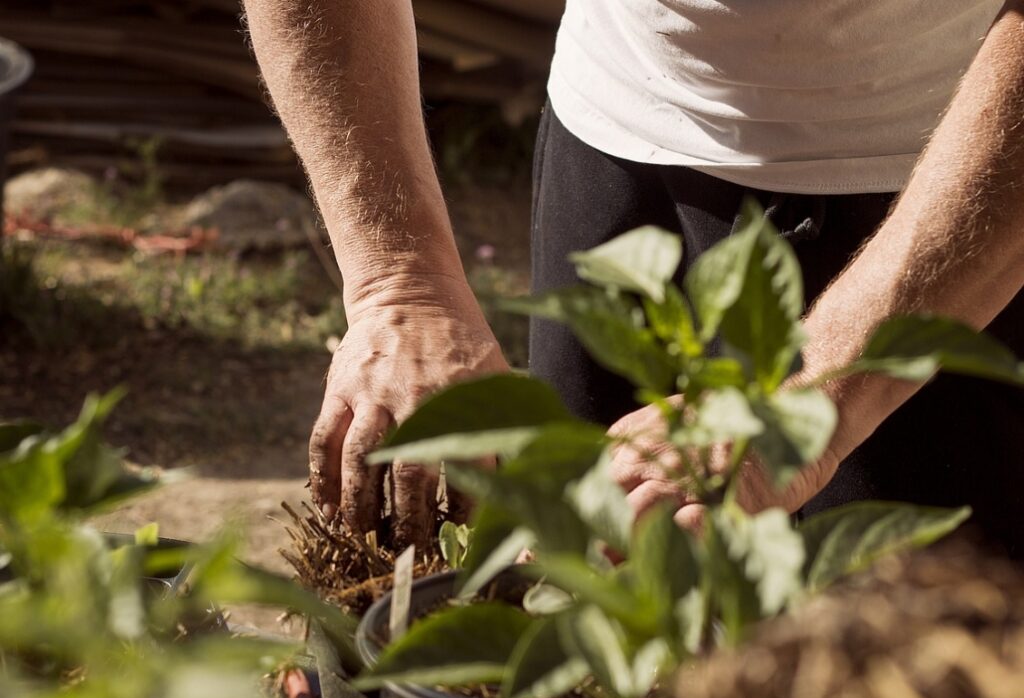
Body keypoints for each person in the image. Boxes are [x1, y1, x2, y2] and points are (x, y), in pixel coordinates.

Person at [242, 1, 1024, 555]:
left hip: (951, 199)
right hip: (614, 147)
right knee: (591, 616)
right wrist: (398, 279)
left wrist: (812, 392)